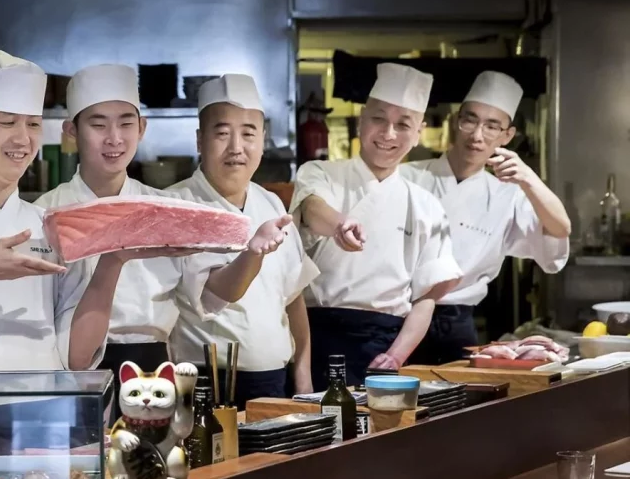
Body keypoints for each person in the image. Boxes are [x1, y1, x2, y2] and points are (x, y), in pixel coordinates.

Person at [0, 51, 291, 374]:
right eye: (6, 122)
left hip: (57, 407)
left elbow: (76, 357)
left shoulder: (45, 225)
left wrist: (115, 257)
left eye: (31, 124)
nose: (22, 138)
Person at [35, 64, 298, 413]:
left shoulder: (165, 210)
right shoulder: (45, 215)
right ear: (71, 131)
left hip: (154, 370)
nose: (114, 138)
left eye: (126, 123)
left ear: (142, 128)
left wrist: (252, 252)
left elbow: (216, 291)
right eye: (98, 125)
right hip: (72, 375)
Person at [289, 64, 464, 390]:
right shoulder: (321, 172)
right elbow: (312, 208)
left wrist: (396, 356)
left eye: (403, 125)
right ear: (361, 121)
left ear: (418, 134)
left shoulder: (427, 205)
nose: (388, 134)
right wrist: (341, 224)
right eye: (378, 119)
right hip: (314, 338)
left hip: (383, 345)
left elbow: (426, 297)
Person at [166, 74, 320, 403]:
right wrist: (253, 253)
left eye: (248, 133)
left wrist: (303, 378)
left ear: (263, 139)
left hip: (276, 382)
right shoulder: (174, 206)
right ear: (199, 140)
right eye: (222, 133)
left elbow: (293, 298)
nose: (236, 148)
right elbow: (220, 289)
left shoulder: (272, 203)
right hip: (205, 384)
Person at [401, 71, 571, 364]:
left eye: (492, 126)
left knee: (460, 409)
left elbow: (560, 229)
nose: (477, 135)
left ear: (507, 136)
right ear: (456, 120)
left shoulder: (508, 194)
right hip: (398, 317)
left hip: (456, 324)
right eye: (470, 120)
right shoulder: (407, 177)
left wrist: (529, 179)